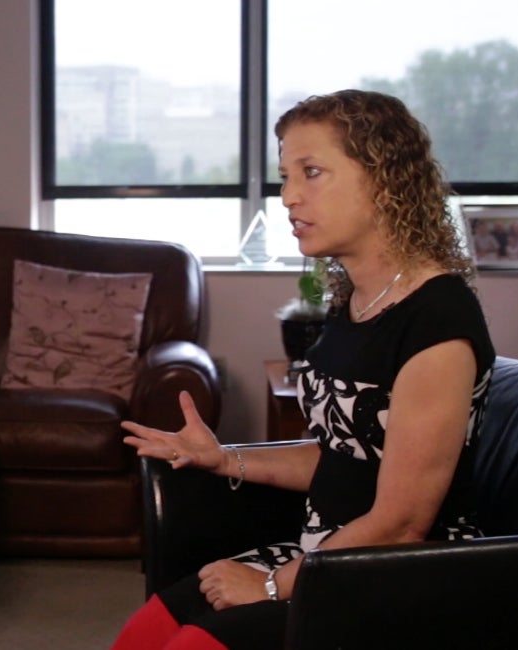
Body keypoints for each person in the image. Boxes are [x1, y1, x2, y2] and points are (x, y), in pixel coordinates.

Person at [111, 89, 496, 650]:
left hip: (401, 575)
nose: (289, 195)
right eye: (286, 176)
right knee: (146, 631)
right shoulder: (357, 302)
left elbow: (403, 522)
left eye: (311, 172)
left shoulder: (437, 319)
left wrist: (269, 584)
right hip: (325, 555)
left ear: (385, 181)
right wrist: (224, 458)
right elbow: (341, 456)